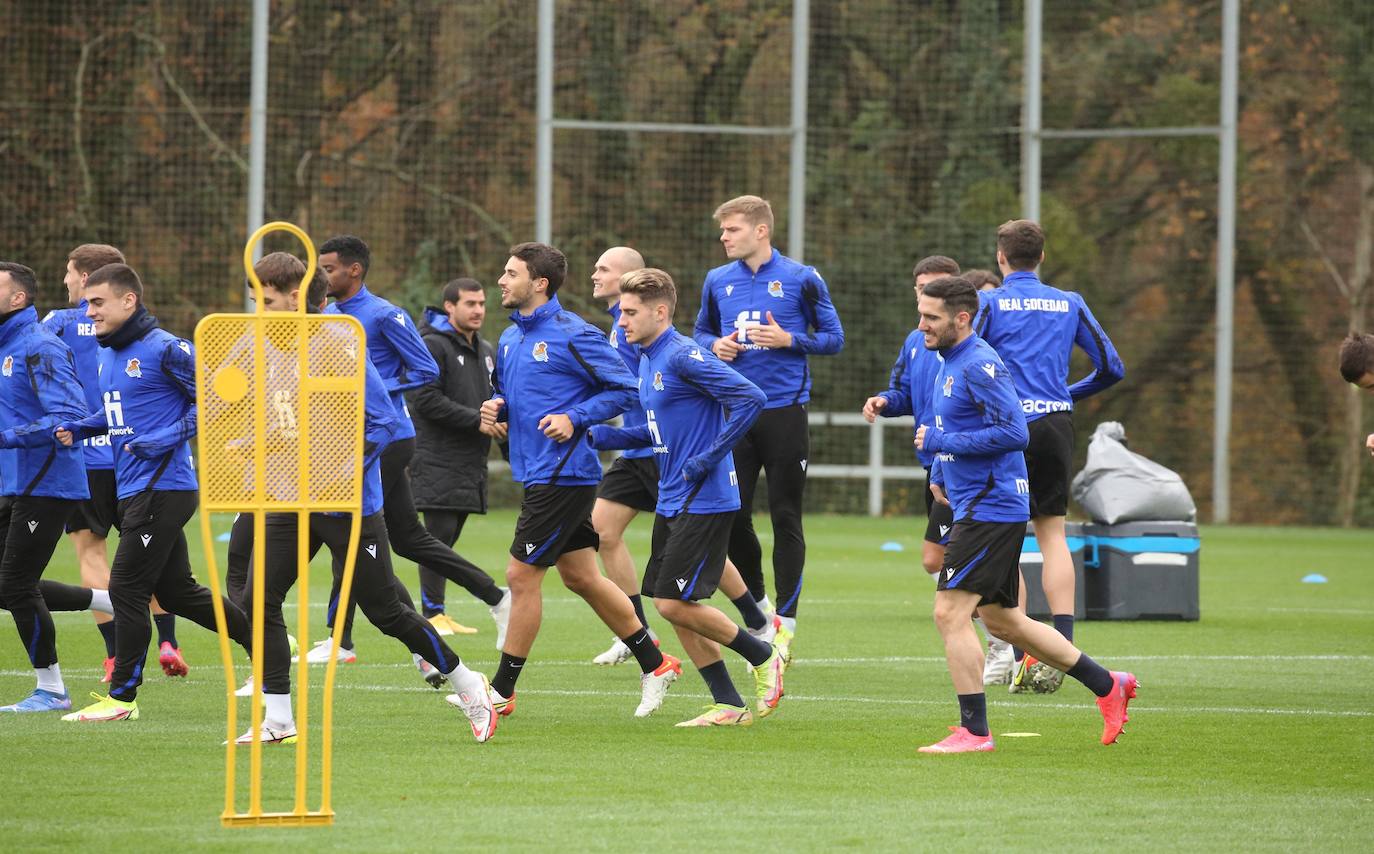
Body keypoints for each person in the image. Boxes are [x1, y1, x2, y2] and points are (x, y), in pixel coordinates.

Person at [228, 253, 494, 744]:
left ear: (294, 296)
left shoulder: (338, 342)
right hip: (290, 497)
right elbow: (280, 418)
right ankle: (279, 720)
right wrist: (253, 441)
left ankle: (467, 683)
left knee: (386, 611)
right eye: (254, 300)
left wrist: (339, 467)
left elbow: (384, 422)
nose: (258, 310)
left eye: (266, 300)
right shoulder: (263, 346)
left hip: (345, 503)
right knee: (256, 599)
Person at [912, 275, 1137, 753]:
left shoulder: (979, 363)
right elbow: (953, 422)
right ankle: (1108, 684)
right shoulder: (948, 360)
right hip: (976, 501)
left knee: (949, 612)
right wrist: (940, 467)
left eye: (931, 317)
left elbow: (1015, 432)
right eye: (921, 315)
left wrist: (942, 442)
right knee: (1004, 621)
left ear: (962, 318)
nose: (922, 325)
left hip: (992, 506)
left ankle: (974, 732)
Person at [479, 242, 681, 719]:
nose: (502, 281)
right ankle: (656, 664)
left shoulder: (575, 334)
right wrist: (495, 411)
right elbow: (507, 395)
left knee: (520, 576)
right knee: (582, 576)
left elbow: (625, 389)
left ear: (539, 283)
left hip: (564, 474)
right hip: (535, 471)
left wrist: (575, 417)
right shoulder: (508, 338)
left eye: (511, 273)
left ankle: (501, 692)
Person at [55, 263, 257, 723]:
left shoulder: (166, 348)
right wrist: (81, 428)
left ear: (129, 301)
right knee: (179, 592)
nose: (89, 311)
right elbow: (121, 415)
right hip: (134, 488)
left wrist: (166, 438)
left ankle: (122, 697)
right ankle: (266, 645)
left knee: (126, 587)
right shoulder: (108, 353)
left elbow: (217, 401)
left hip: (163, 488)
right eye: (87, 303)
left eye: (98, 302)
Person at [588, 269, 785, 727]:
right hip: (674, 497)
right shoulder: (648, 359)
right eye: (621, 313)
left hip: (705, 497)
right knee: (674, 605)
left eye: (630, 312)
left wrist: (710, 457)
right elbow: (661, 432)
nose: (621, 321)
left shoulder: (683, 355)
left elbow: (751, 397)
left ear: (660, 312)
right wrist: (599, 436)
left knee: (672, 604)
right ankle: (729, 704)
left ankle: (763, 654)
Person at [314, 235, 510, 664]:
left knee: (348, 531)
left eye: (328, 268)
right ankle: (495, 598)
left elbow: (423, 370)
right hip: (346, 440)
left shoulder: (384, 315)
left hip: (386, 437)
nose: (321, 276)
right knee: (407, 539)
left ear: (354, 270)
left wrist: (370, 390)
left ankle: (340, 641)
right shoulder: (326, 315)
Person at [975, 219, 1124, 693]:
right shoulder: (1069, 302)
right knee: (1053, 534)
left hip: (1006, 426)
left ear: (1001, 258)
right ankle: (1063, 648)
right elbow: (1111, 367)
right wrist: (1064, 394)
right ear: (1042, 257)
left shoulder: (989, 303)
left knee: (1008, 535)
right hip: (1055, 424)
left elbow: (967, 358)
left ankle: (1023, 654)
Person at [693, 195, 845, 660]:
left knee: (785, 515)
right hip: (734, 414)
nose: (723, 237)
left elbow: (834, 339)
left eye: (732, 229)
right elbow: (699, 332)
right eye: (723, 230)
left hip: (785, 414)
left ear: (761, 230)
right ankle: (759, 609)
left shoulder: (802, 278)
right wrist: (714, 345)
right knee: (733, 514)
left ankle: (788, 622)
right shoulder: (717, 280)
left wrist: (788, 339)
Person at [862, 256, 1014, 686]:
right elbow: (905, 393)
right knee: (963, 572)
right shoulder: (919, 343)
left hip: (975, 477)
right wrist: (886, 402)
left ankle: (1000, 649)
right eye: (920, 291)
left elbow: (1009, 427)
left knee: (948, 581)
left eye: (934, 295)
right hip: (940, 469)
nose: (924, 313)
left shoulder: (972, 351)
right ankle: (1085, 673)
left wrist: (943, 442)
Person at [43, 244, 186, 682]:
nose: (66, 281)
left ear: (86, 277)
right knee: (155, 560)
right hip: (135, 459)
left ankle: (114, 657)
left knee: (92, 553)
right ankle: (167, 641)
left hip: (87, 459)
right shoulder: (134, 332)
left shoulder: (59, 322)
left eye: (70, 273)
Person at [0, 262, 113, 712]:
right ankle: (109, 599)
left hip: (48, 482)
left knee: (15, 584)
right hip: (14, 482)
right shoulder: (6, 345)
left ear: (18, 298)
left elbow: (68, 416)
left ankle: (52, 690)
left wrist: (6, 437)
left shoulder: (40, 345)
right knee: (7, 584)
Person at [406, 278, 509, 639]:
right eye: (470, 304)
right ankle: (433, 614)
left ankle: (437, 612)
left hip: (470, 462)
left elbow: (492, 400)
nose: (478, 310)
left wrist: (499, 421)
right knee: (435, 541)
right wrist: (476, 420)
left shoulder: (486, 349)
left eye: (481, 303)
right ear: (449, 307)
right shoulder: (432, 345)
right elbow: (424, 400)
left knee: (444, 543)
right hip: (436, 458)